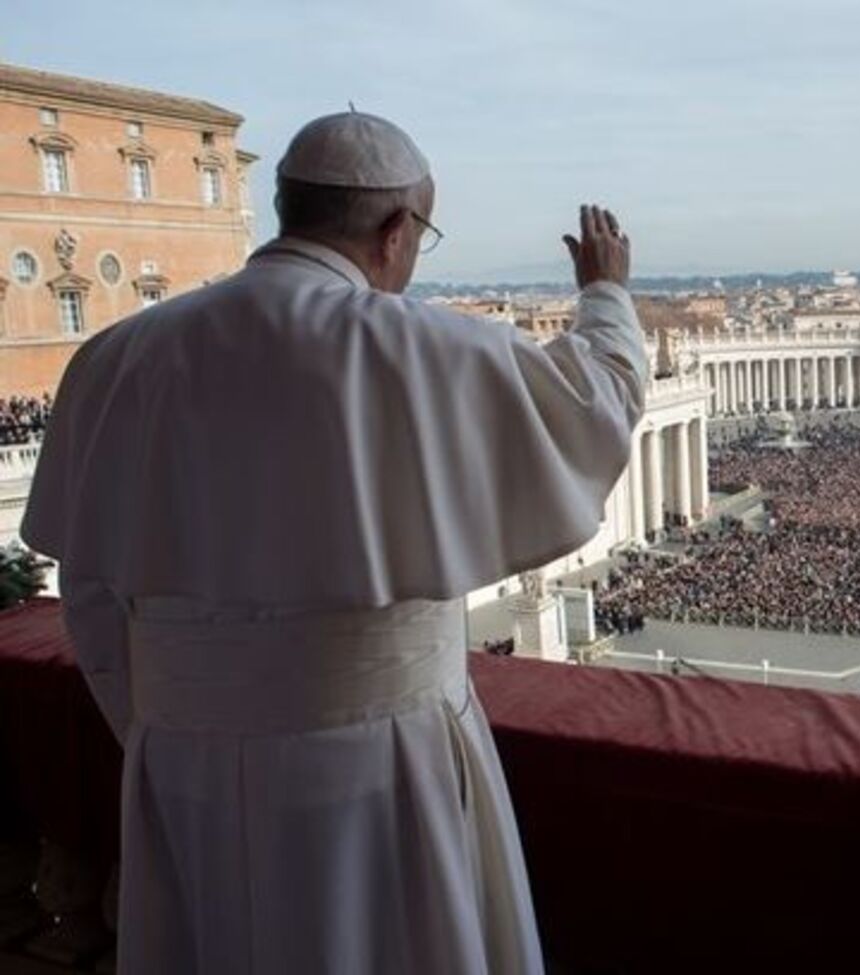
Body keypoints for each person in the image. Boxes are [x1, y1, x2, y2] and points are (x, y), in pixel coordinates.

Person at [21, 111, 645, 975]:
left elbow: (88, 589)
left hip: (184, 768)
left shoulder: (116, 356)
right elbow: (597, 405)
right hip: (382, 768)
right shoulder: (420, 344)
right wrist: (606, 293)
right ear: (396, 231)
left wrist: (178, 719)